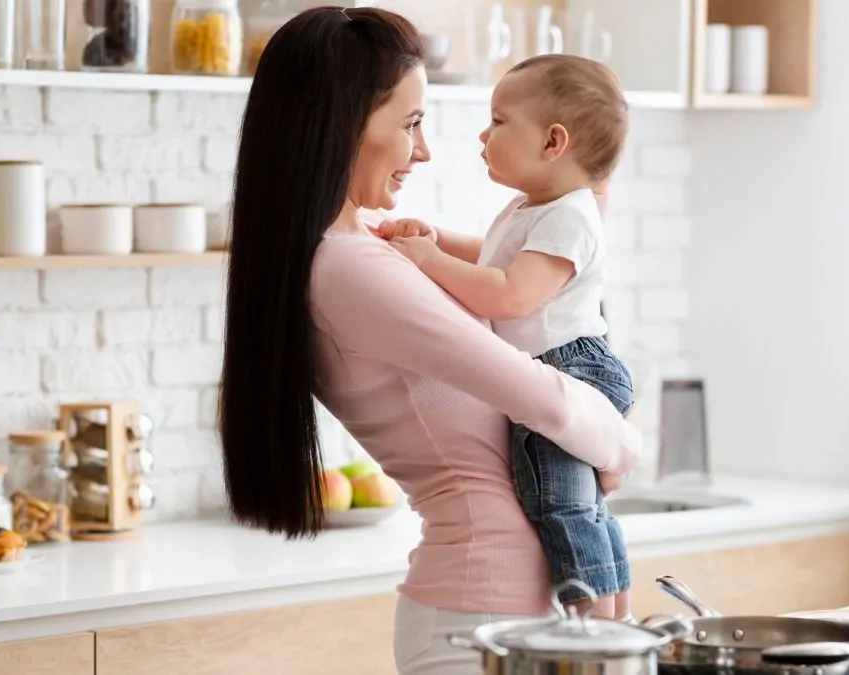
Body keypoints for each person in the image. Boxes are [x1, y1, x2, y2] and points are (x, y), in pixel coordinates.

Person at [216, 7, 641, 675]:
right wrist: (620, 442)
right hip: (479, 621)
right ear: (343, 123)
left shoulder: (359, 253)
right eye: (410, 124)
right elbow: (538, 395)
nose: (424, 151)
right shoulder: (349, 268)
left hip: (507, 612)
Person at [375, 54, 634, 621]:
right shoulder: (532, 207)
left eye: (499, 120)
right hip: (559, 367)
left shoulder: (570, 217)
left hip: (570, 367)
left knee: (559, 502)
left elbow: (508, 294)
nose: (483, 134)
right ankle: (612, 606)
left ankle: (591, 616)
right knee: (579, 505)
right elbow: (494, 257)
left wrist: (427, 260)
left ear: (552, 142)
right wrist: (437, 239)